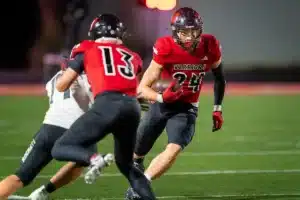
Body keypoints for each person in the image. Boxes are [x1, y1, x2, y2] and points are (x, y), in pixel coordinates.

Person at [51, 14, 156, 200]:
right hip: (132, 108)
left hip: (107, 104)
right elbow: (134, 87)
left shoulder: (87, 49)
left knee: (60, 147)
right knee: (127, 166)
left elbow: (61, 85)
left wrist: (70, 68)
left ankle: (94, 159)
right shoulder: (133, 56)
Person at [126, 7, 226, 199]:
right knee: (136, 155)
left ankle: (140, 186)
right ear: (175, 32)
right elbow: (142, 88)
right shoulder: (165, 47)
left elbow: (220, 78)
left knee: (174, 148)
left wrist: (217, 108)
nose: (189, 37)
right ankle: (138, 165)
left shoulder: (210, 45)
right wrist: (162, 97)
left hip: (186, 108)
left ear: (200, 30)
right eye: (184, 32)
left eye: (193, 31)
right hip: (162, 104)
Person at [0, 65, 111, 200]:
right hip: (76, 130)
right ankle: (45, 191)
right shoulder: (88, 77)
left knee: (20, 177)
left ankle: (43, 192)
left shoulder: (52, 80)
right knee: (84, 159)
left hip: (49, 128)